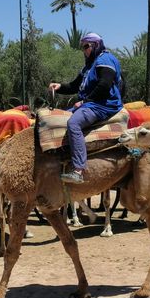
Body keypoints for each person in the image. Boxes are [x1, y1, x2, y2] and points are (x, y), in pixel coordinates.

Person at [48, 32, 123, 184]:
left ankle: (78, 170)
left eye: (86, 46)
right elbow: (74, 86)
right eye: (82, 47)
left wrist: (84, 102)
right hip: (91, 103)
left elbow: (105, 85)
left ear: (96, 45)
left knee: (73, 123)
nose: (84, 50)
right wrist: (59, 86)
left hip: (103, 105)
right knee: (57, 118)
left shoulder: (105, 59)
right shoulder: (89, 66)